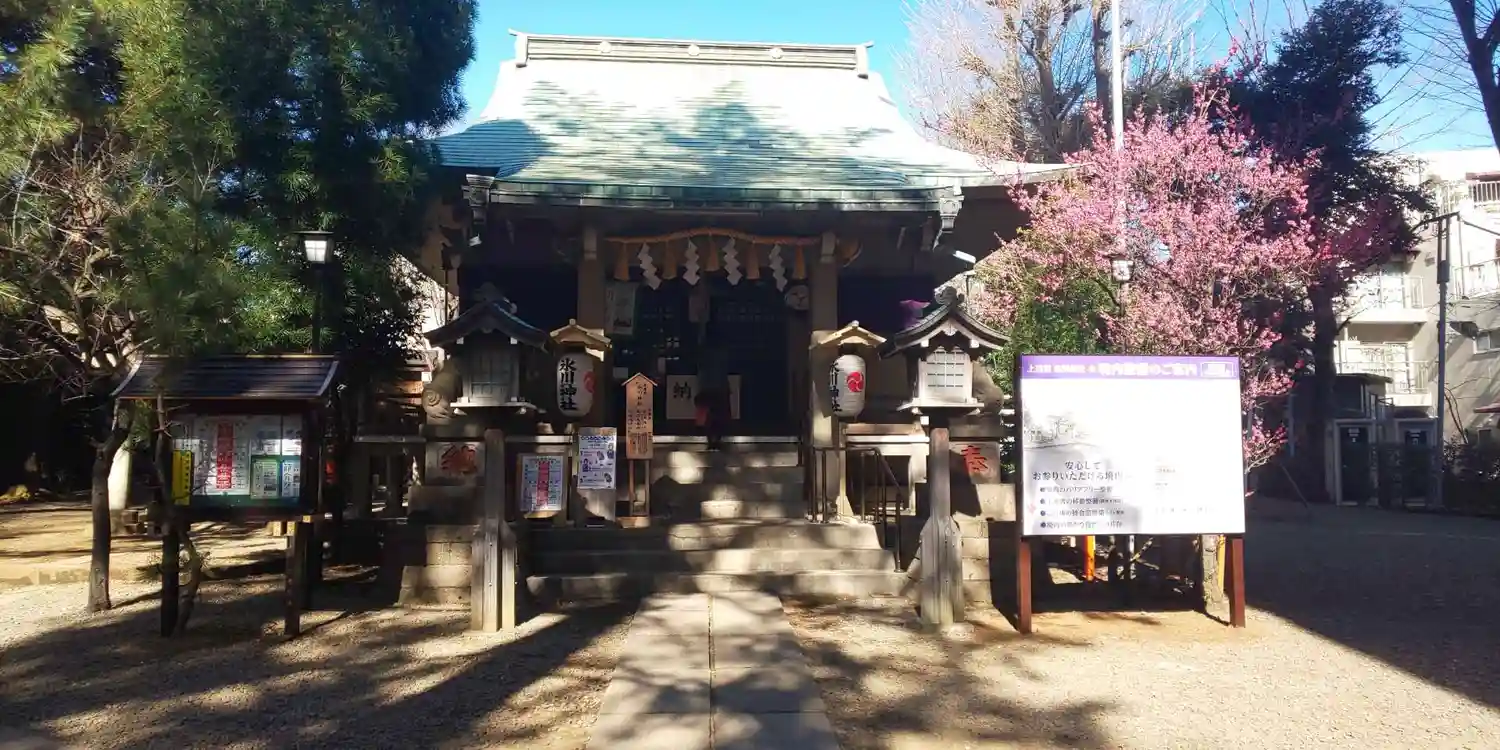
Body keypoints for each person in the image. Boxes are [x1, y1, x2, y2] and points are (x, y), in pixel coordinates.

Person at [696, 319, 731, 451]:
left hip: (707, 386)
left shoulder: (703, 352)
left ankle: (711, 439)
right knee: (720, 414)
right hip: (720, 386)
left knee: (709, 414)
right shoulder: (722, 352)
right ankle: (718, 439)